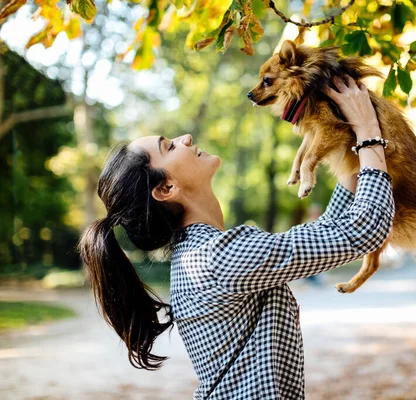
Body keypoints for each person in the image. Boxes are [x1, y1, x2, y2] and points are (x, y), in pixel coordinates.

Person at [78, 75, 394, 400]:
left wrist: (350, 140)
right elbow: (362, 230)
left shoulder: (202, 254)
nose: (185, 138)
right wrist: (369, 133)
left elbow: (332, 232)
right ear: (166, 189)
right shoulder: (218, 257)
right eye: (169, 146)